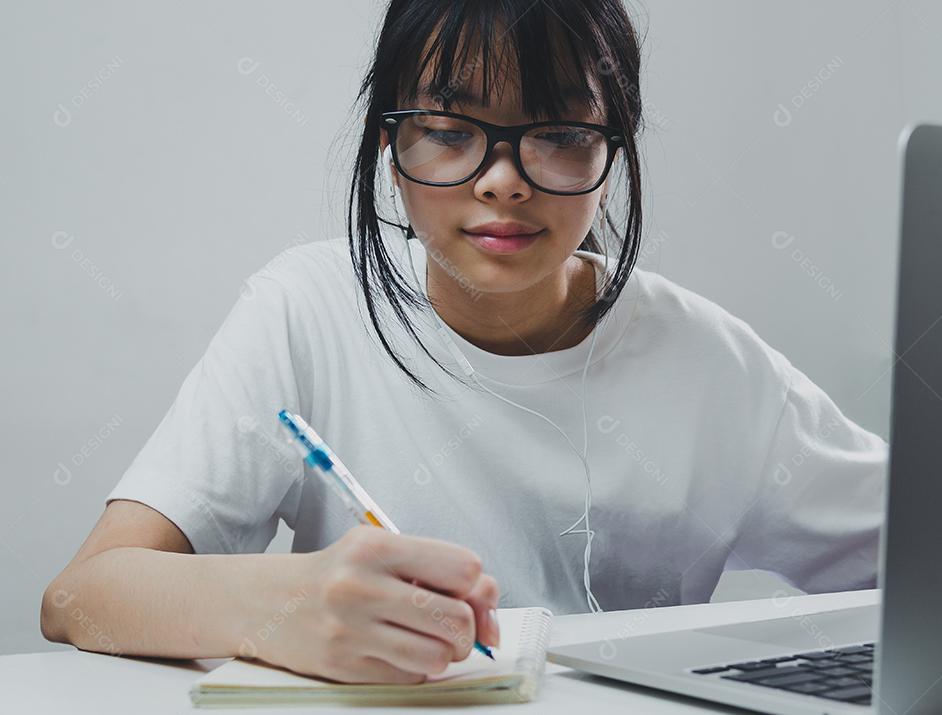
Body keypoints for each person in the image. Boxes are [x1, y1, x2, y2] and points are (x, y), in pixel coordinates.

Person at [41, 0, 887, 686]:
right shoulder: (307, 310)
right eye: (449, 130)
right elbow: (84, 594)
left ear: (614, 147)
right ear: (389, 140)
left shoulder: (712, 362)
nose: (503, 178)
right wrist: (281, 602)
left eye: (558, 133)